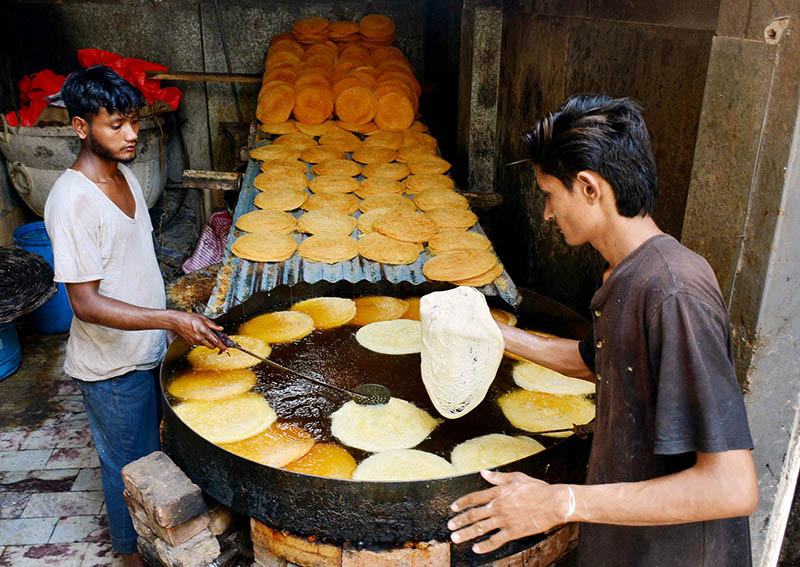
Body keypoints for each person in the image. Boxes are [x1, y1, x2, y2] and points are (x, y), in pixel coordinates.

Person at [447, 95, 758, 566]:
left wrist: (561, 502)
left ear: (590, 187)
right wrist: (494, 335)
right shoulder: (627, 274)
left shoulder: (674, 293)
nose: (548, 214)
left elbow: (732, 486)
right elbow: (602, 363)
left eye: (550, 194)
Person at [44, 66, 226, 567]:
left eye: (133, 122)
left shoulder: (121, 176)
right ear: (81, 127)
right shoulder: (72, 201)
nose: (131, 136)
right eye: (115, 125)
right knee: (131, 469)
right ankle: (132, 558)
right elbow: (85, 303)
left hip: (145, 351)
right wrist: (171, 319)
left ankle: (159, 548)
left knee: (159, 459)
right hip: (112, 369)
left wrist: (172, 321)